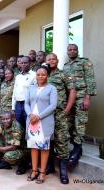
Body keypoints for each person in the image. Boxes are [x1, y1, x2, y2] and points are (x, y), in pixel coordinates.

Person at [63, 44, 97, 166]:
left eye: (74, 49)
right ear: (67, 52)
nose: (72, 51)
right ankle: (76, 146)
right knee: (70, 122)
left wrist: (87, 98)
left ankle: (77, 149)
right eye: (70, 50)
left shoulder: (84, 62)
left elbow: (90, 80)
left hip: (82, 96)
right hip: (69, 98)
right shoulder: (65, 65)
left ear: (78, 51)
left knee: (80, 123)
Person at [46, 53, 76, 184]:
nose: (51, 61)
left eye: (53, 59)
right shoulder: (43, 74)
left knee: (62, 141)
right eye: (49, 59)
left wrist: (67, 110)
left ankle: (63, 171)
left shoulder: (63, 74)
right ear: (46, 61)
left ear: (57, 61)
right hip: (46, 114)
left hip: (60, 113)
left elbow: (72, 91)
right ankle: (50, 166)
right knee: (48, 140)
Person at [25, 65, 57, 184]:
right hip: (32, 121)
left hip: (44, 121)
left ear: (47, 75)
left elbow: (53, 106)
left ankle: (42, 172)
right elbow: (26, 104)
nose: (40, 76)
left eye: (43, 74)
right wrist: (30, 115)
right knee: (34, 146)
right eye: (38, 74)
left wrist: (38, 116)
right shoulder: (31, 88)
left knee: (44, 147)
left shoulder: (52, 88)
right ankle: (34, 171)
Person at [12, 56, 36, 129]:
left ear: (30, 63)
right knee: (19, 123)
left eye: (25, 63)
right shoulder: (18, 76)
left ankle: (28, 140)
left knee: (29, 124)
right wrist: (13, 107)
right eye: (22, 63)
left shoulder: (34, 75)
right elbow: (14, 92)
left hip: (28, 104)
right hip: (18, 104)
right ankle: (22, 139)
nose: (23, 65)